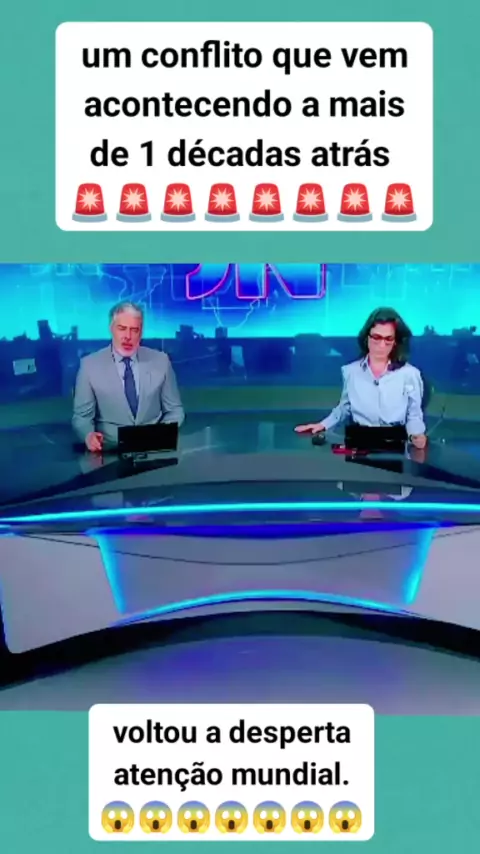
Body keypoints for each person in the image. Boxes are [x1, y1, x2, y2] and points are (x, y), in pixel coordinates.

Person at [295, 307, 427, 450]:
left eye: (388, 339)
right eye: (376, 337)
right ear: (366, 338)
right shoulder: (350, 372)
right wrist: (323, 425)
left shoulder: (410, 374)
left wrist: (416, 435)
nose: (382, 345)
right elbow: (344, 408)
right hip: (359, 441)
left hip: (396, 441)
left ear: (396, 342)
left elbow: (414, 415)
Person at [72, 301, 185, 452]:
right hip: (110, 451)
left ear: (141, 332)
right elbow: (82, 417)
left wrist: (163, 433)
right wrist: (88, 436)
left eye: (134, 330)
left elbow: (175, 410)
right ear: (111, 328)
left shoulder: (161, 361)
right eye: (122, 329)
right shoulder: (89, 366)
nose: (128, 336)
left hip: (154, 450)